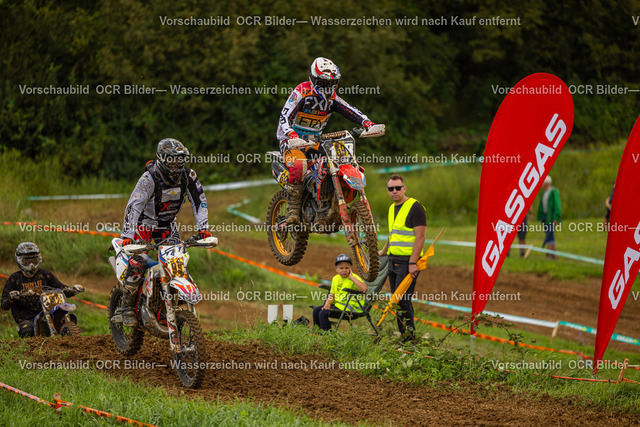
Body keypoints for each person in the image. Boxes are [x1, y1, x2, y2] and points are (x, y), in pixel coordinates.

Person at [117, 138, 212, 326]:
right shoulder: (149, 178)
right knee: (138, 263)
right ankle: (125, 308)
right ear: (162, 159)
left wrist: (203, 229)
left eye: (179, 159)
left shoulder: (188, 176)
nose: (176, 164)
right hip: (144, 226)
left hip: (167, 227)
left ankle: (169, 297)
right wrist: (127, 236)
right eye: (171, 160)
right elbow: (134, 206)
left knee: (177, 262)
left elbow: (199, 200)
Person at [276, 57, 377, 224]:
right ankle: (293, 211)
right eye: (323, 83)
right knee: (299, 165)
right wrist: (291, 134)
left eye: (332, 83)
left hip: (315, 141)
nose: (328, 87)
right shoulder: (301, 92)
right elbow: (284, 117)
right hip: (291, 141)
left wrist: (367, 122)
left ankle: (328, 201)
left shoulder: (332, 99)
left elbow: (351, 110)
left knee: (339, 160)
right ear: (314, 79)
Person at [377, 174, 426, 343]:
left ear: (404, 188)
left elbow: (420, 237)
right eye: (391, 189)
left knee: (403, 301)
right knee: (396, 301)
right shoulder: (392, 208)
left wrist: (413, 262)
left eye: (398, 188)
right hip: (393, 260)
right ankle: (404, 338)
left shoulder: (415, 207)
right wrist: (383, 251)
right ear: (387, 191)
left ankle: (410, 341)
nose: (394, 191)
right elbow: (392, 234)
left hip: (407, 262)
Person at [1, 242, 83, 338]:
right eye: (27, 261)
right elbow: (4, 305)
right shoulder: (14, 279)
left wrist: (71, 290)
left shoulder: (45, 274)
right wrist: (11, 297)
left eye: (34, 260)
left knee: (64, 317)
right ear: (20, 261)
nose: (31, 264)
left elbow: (60, 288)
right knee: (28, 330)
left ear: (39, 259)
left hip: (46, 312)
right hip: (26, 318)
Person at [312, 254, 367, 331]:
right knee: (316, 310)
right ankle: (316, 331)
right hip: (339, 305)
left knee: (323, 313)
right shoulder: (335, 278)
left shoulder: (354, 278)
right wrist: (327, 304)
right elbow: (332, 295)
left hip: (351, 308)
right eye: (341, 268)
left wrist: (351, 278)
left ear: (350, 268)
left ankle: (327, 334)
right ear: (336, 269)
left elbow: (364, 289)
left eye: (347, 268)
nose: (344, 270)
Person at [537, 175, 561, 259]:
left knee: (550, 235)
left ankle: (551, 253)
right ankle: (552, 253)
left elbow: (557, 205)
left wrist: (556, 218)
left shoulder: (554, 192)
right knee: (549, 235)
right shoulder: (544, 193)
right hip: (545, 217)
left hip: (551, 217)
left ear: (546, 184)